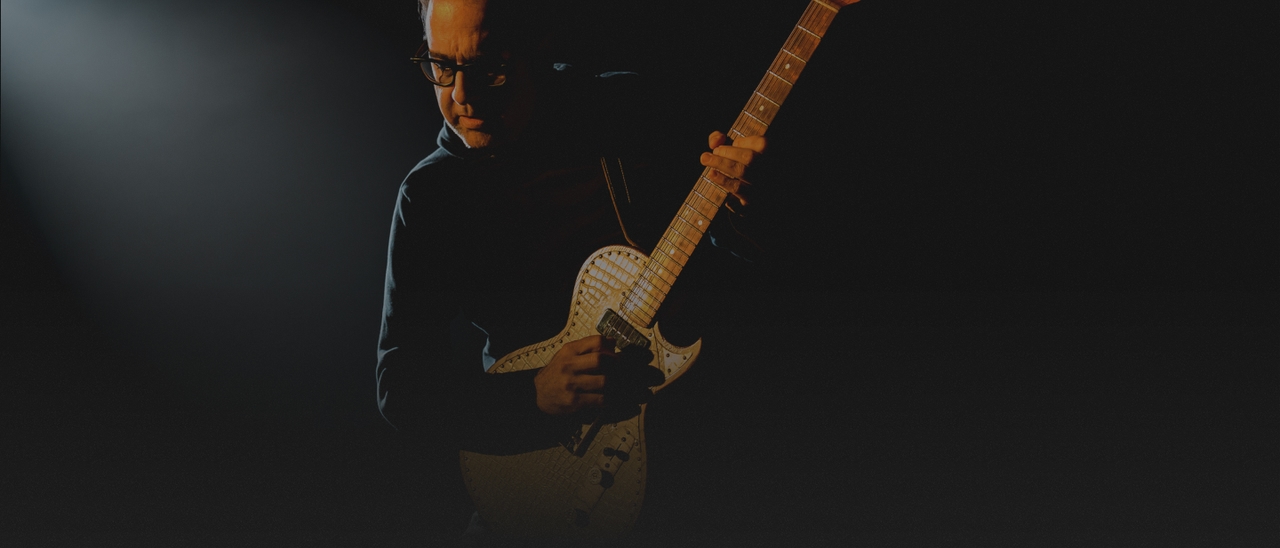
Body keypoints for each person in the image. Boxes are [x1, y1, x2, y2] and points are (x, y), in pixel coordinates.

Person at [374, 0, 767, 539]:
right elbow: (400, 386)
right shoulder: (432, 196)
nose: (462, 96)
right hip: (538, 485)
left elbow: (744, 273)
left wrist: (746, 211)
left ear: (538, 47)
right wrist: (533, 396)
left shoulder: (624, 108)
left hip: (696, 463)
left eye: (490, 68)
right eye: (442, 65)